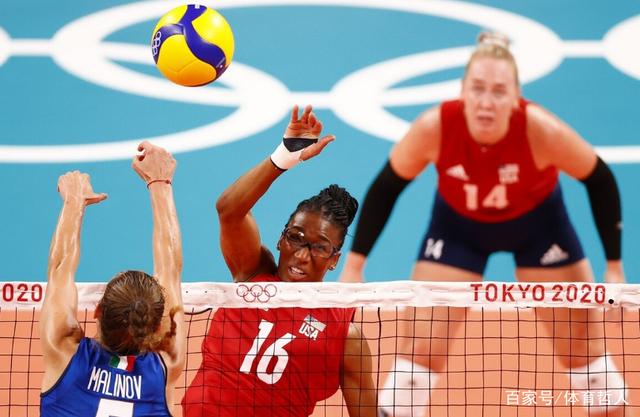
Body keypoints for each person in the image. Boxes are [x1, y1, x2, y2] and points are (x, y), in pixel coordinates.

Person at [339, 33, 627, 416]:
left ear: (516, 98)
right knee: (419, 351)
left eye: (498, 91)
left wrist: (614, 268)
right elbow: (386, 187)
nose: (486, 102)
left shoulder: (541, 131)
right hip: (458, 232)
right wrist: (354, 266)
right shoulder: (435, 128)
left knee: (584, 352)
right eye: (477, 89)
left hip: (541, 232)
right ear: (462, 91)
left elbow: (600, 179)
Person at [182, 105, 377, 417]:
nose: (301, 255)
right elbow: (229, 211)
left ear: (334, 260)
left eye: (319, 247)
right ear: (280, 238)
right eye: (295, 237)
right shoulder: (251, 273)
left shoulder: (344, 336)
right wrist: (284, 157)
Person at [40, 142, 185, 416]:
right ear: (157, 327)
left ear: (97, 310)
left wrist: (74, 201)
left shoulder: (64, 350)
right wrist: (160, 182)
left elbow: (60, 267)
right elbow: (170, 269)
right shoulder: (166, 365)